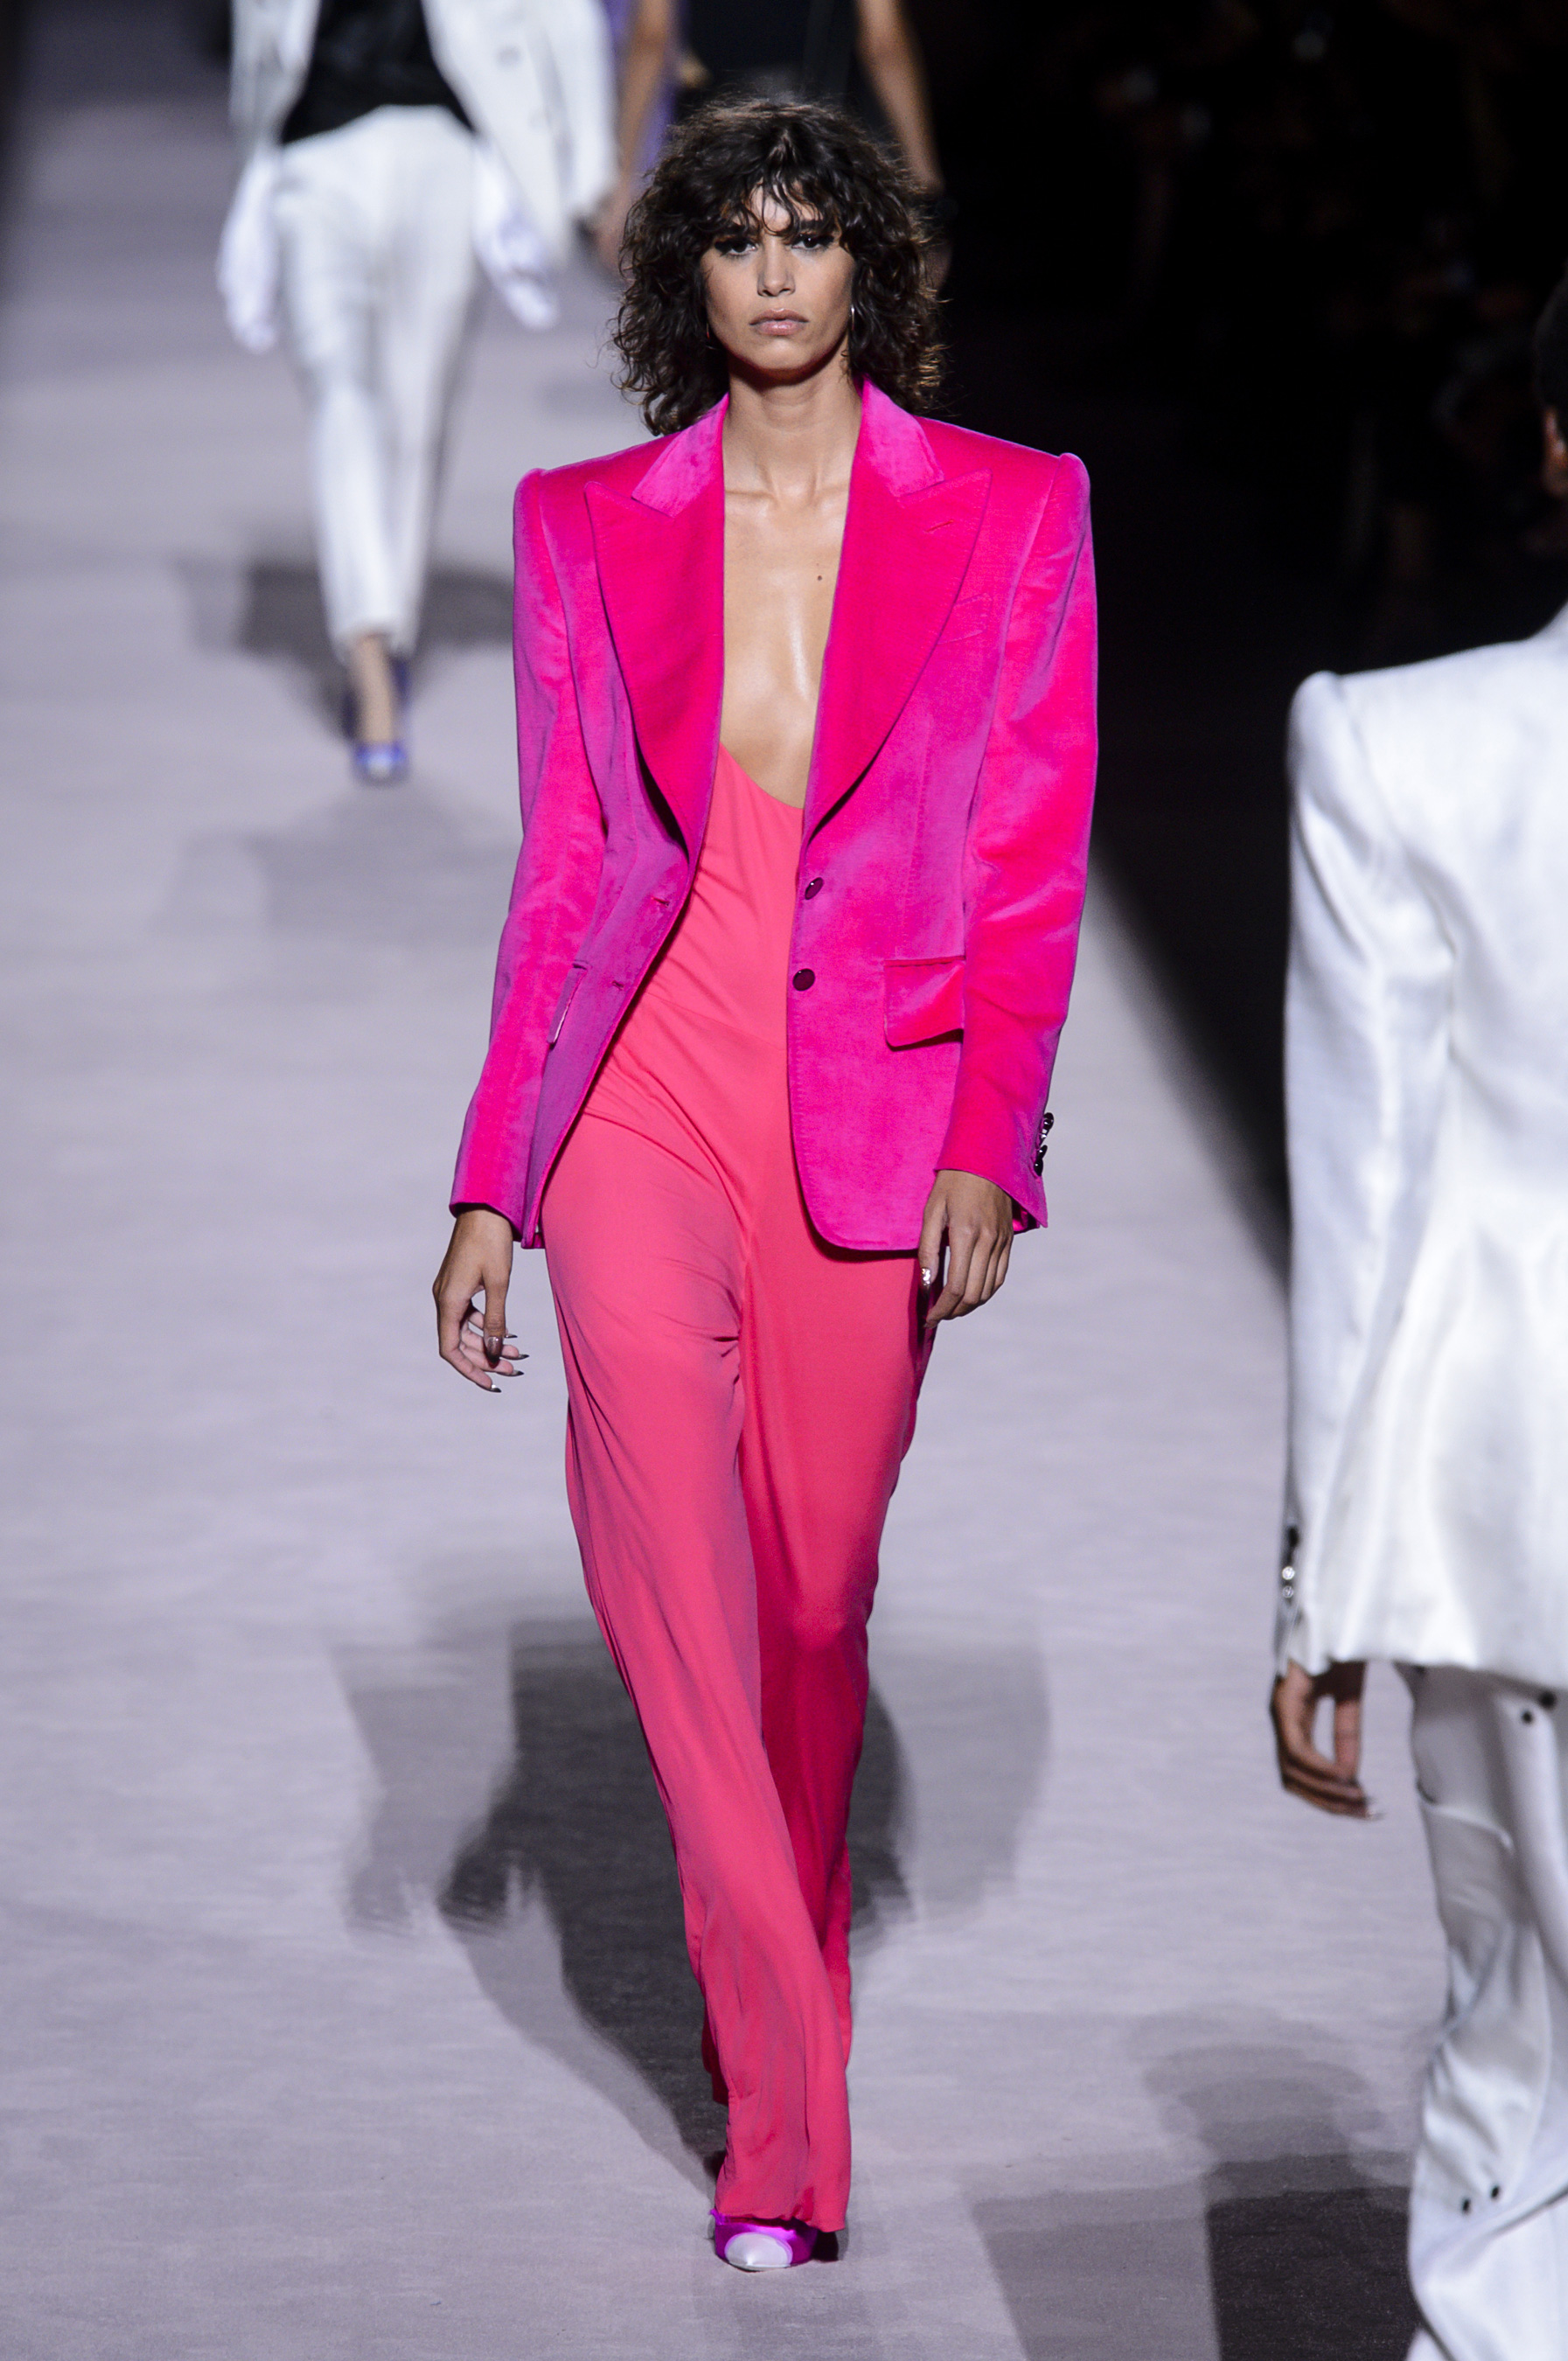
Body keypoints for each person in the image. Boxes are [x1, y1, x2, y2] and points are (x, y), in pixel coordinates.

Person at [432, 97, 1096, 2267]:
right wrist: (493, 1181)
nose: (780, 271)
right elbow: (559, 874)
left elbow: (1026, 858)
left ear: (865, 266)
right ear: (686, 275)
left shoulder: (1012, 509)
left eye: (814, 234)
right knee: (667, 1573)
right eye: (740, 238)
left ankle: (772, 1985)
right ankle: (788, 2120)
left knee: (809, 1608)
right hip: (641, 1092)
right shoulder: (581, 524)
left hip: (872, 1113)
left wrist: (992, 1135)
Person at [1271, 269, 1568, 2360]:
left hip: (1514, 1494)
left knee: (1521, 2047)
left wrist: (1316, 1586)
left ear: (1547, 440)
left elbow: (1365, 1183)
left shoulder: (1399, 747)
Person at [218, 0, 614, 779]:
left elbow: (566, 16)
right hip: (311, 158)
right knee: (338, 392)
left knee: (417, 416)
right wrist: (250, 166)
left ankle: (389, 628)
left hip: (444, 150)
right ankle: (369, 653)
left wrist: (591, 171)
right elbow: (256, 32)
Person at [595, 0, 944, 275]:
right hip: (820, 143)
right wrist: (924, 186)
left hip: (718, 144)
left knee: (721, 297)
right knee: (825, 300)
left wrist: (625, 183)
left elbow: (652, 38)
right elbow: (883, 44)